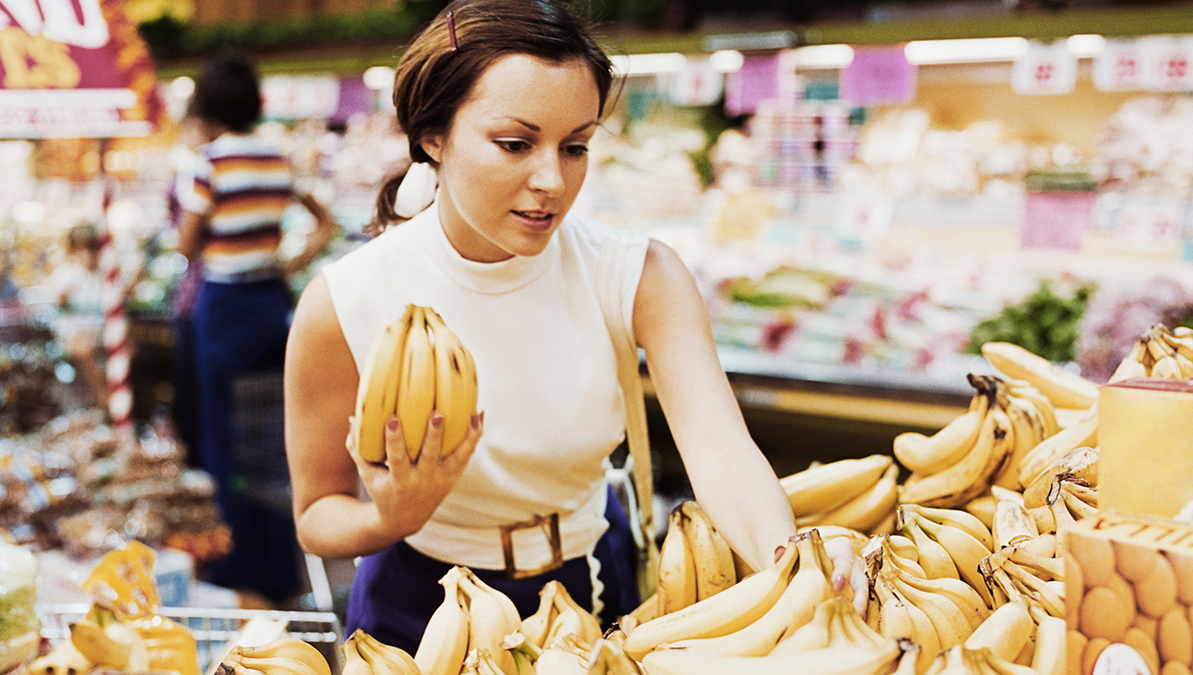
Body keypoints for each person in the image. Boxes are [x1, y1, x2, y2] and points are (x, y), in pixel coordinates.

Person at [283, 0, 866, 652]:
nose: (551, 180)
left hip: (594, 590)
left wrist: (791, 562)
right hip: (421, 612)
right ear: (433, 136)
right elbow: (315, 514)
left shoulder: (641, 275)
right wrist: (391, 515)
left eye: (576, 146)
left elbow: (721, 451)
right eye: (514, 144)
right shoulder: (345, 300)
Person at [177, 52, 338, 609]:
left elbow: (185, 244)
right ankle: (281, 569)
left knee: (226, 445)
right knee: (274, 442)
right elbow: (326, 222)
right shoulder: (277, 157)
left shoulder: (209, 163)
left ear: (206, 106)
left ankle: (238, 574)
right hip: (272, 304)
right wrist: (285, 265)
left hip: (223, 309)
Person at [48, 224, 112, 411]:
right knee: (85, 349)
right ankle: (102, 395)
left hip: (99, 331)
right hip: (75, 332)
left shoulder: (103, 274)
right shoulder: (69, 273)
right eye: (82, 250)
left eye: (93, 250)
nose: (88, 256)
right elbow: (58, 298)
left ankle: (111, 391)